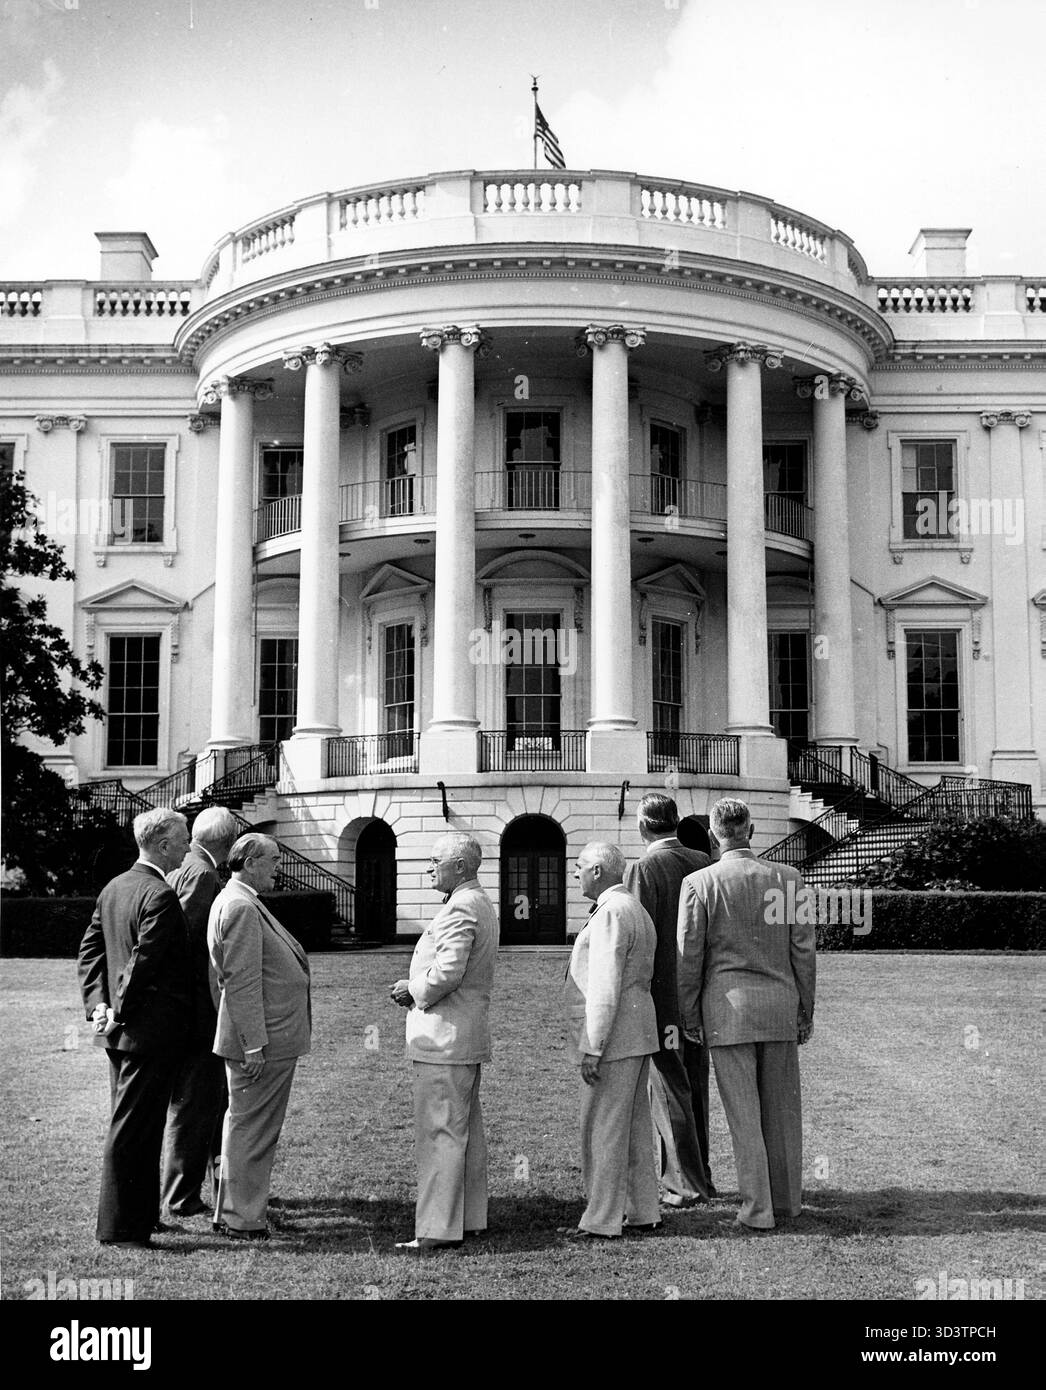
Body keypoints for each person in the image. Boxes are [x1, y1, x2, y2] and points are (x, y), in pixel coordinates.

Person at [677, 798, 816, 1232]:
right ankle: (787, 1201)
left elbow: (689, 956)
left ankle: (758, 1209)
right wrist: (805, 1008)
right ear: (750, 832)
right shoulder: (789, 880)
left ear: (715, 836)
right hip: (779, 1007)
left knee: (744, 1116)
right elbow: (804, 952)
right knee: (781, 1112)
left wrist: (689, 1013)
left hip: (727, 1011)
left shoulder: (700, 883)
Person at [77, 807, 193, 1249]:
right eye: (182, 839)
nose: (186, 846)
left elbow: (91, 953)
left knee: (139, 1128)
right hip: (147, 1033)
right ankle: (121, 1230)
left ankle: (142, 1218)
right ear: (163, 845)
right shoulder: (158, 895)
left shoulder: (115, 887)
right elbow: (143, 964)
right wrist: (116, 1010)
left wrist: (99, 1008)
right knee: (132, 1131)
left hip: (122, 1031)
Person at [390, 832, 499, 1254]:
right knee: (462, 1131)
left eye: (435, 860)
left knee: (440, 1133)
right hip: (461, 1036)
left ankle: (436, 1228)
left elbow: (448, 973)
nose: (429, 867)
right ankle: (468, 1218)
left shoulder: (460, 908)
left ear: (459, 865)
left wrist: (411, 989)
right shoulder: (475, 902)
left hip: (444, 1038)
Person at [208, 833, 311, 1240]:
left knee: (245, 1127)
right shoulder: (239, 906)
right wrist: (253, 1042)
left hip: (265, 1038)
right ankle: (242, 1218)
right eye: (272, 860)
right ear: (249, 862)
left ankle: (233, 1212)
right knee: (253, 1131)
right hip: (262, 1042)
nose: (277, 867)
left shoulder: (241, 900)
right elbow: (242, 981)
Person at [563, 841, 660, 1240]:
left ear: (599, 871)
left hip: (615, 1036)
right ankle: (642, 1210)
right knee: (634, 1129)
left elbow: (604, 987)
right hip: (638, 1033)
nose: (576, 873)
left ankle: (602, 1218)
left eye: (580, 866)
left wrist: (593, 1045)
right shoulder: (633, 908)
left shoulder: (610, 913)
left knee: (602, 1128)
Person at [623, 793, 714, 1207]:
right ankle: (701, 1177)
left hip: (661, 996)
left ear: (644, 826)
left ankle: (684, 1184)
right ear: (675, 821)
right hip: (701, 995)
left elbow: (637, 935)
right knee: (694, 1086)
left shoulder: (643, 868)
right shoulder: (704, 862)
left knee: (669, 1089)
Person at [160, 805, 239, 1219]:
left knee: (203, 1102)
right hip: (197, 1013)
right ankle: (182, 1195)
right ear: (225, 844)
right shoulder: (204, 874)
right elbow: (192, 946)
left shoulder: (182, 867)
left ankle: (214, 1183)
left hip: (183, 1011)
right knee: (198, 1104)